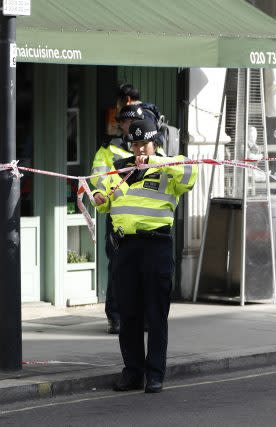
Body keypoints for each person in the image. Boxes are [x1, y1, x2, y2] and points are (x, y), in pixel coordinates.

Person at [94, 119, 197, 393]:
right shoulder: (121, 169)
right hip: (125, 248)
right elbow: (103, 194)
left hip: (156, 246)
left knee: (155, 313)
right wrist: (99, 197)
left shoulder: (169, 167)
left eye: (144, 144)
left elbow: (190, 176)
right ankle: (132, 372)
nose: (139, 150)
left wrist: (157, 163)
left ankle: (155, 374)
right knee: (128, 314)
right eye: (135, 144)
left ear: (155, 144)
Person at [90, 104, 146, 334]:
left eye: (136, 121)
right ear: (121, 124)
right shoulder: (108, 150)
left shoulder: (152, 150)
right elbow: (97, 178)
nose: (131, 126)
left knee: (143, 271)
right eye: (128, 122)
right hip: (119, 217)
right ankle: (116, 318)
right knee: (118, 269)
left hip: (145, 218)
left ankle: (142, 318)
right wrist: (102, 192)